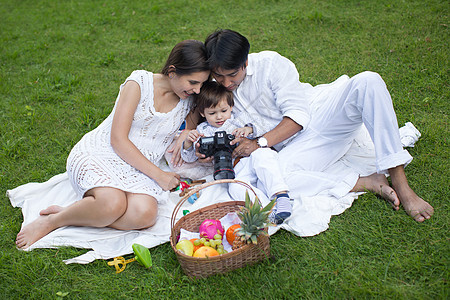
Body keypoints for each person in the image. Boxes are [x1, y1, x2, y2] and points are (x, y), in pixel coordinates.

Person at [201, 29, 434, 222]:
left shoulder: (271, 65)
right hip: (297, 147)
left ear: (246, 61)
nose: (227, 83)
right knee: (276, 182)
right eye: (219, 77)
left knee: (368, 81)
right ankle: (366, 182)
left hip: (320, 116)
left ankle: (399, 179)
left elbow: (298, 117)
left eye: (232, 75)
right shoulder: (214, 85)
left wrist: (258, 143)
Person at [15, 40, 210, 249]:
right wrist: (160, 175)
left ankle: (82, 212)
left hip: (138, 168)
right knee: (112, 204)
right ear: (172, 71)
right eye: (193, 82)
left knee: (145, 215)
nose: (197, 90)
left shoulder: (188, 101)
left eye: (201, 84)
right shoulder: (139, 83)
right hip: (103, 152)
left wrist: (187, 132)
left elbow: (188, 132)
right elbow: (117, 140)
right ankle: (54, 220)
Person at [181, 81, 292, 224]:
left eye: (223, 111)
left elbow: (267, 126)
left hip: (250, 159)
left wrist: (250, 129)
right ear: (202, 113)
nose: (219, 117)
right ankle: (268, 211)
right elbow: (190, 158)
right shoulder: (203, 131)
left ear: (231, 107)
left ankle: (281, 196)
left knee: (263, 154)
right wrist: (189, 143)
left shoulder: (240, 120)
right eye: (212, 113)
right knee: (236, 189)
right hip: (234, 170)